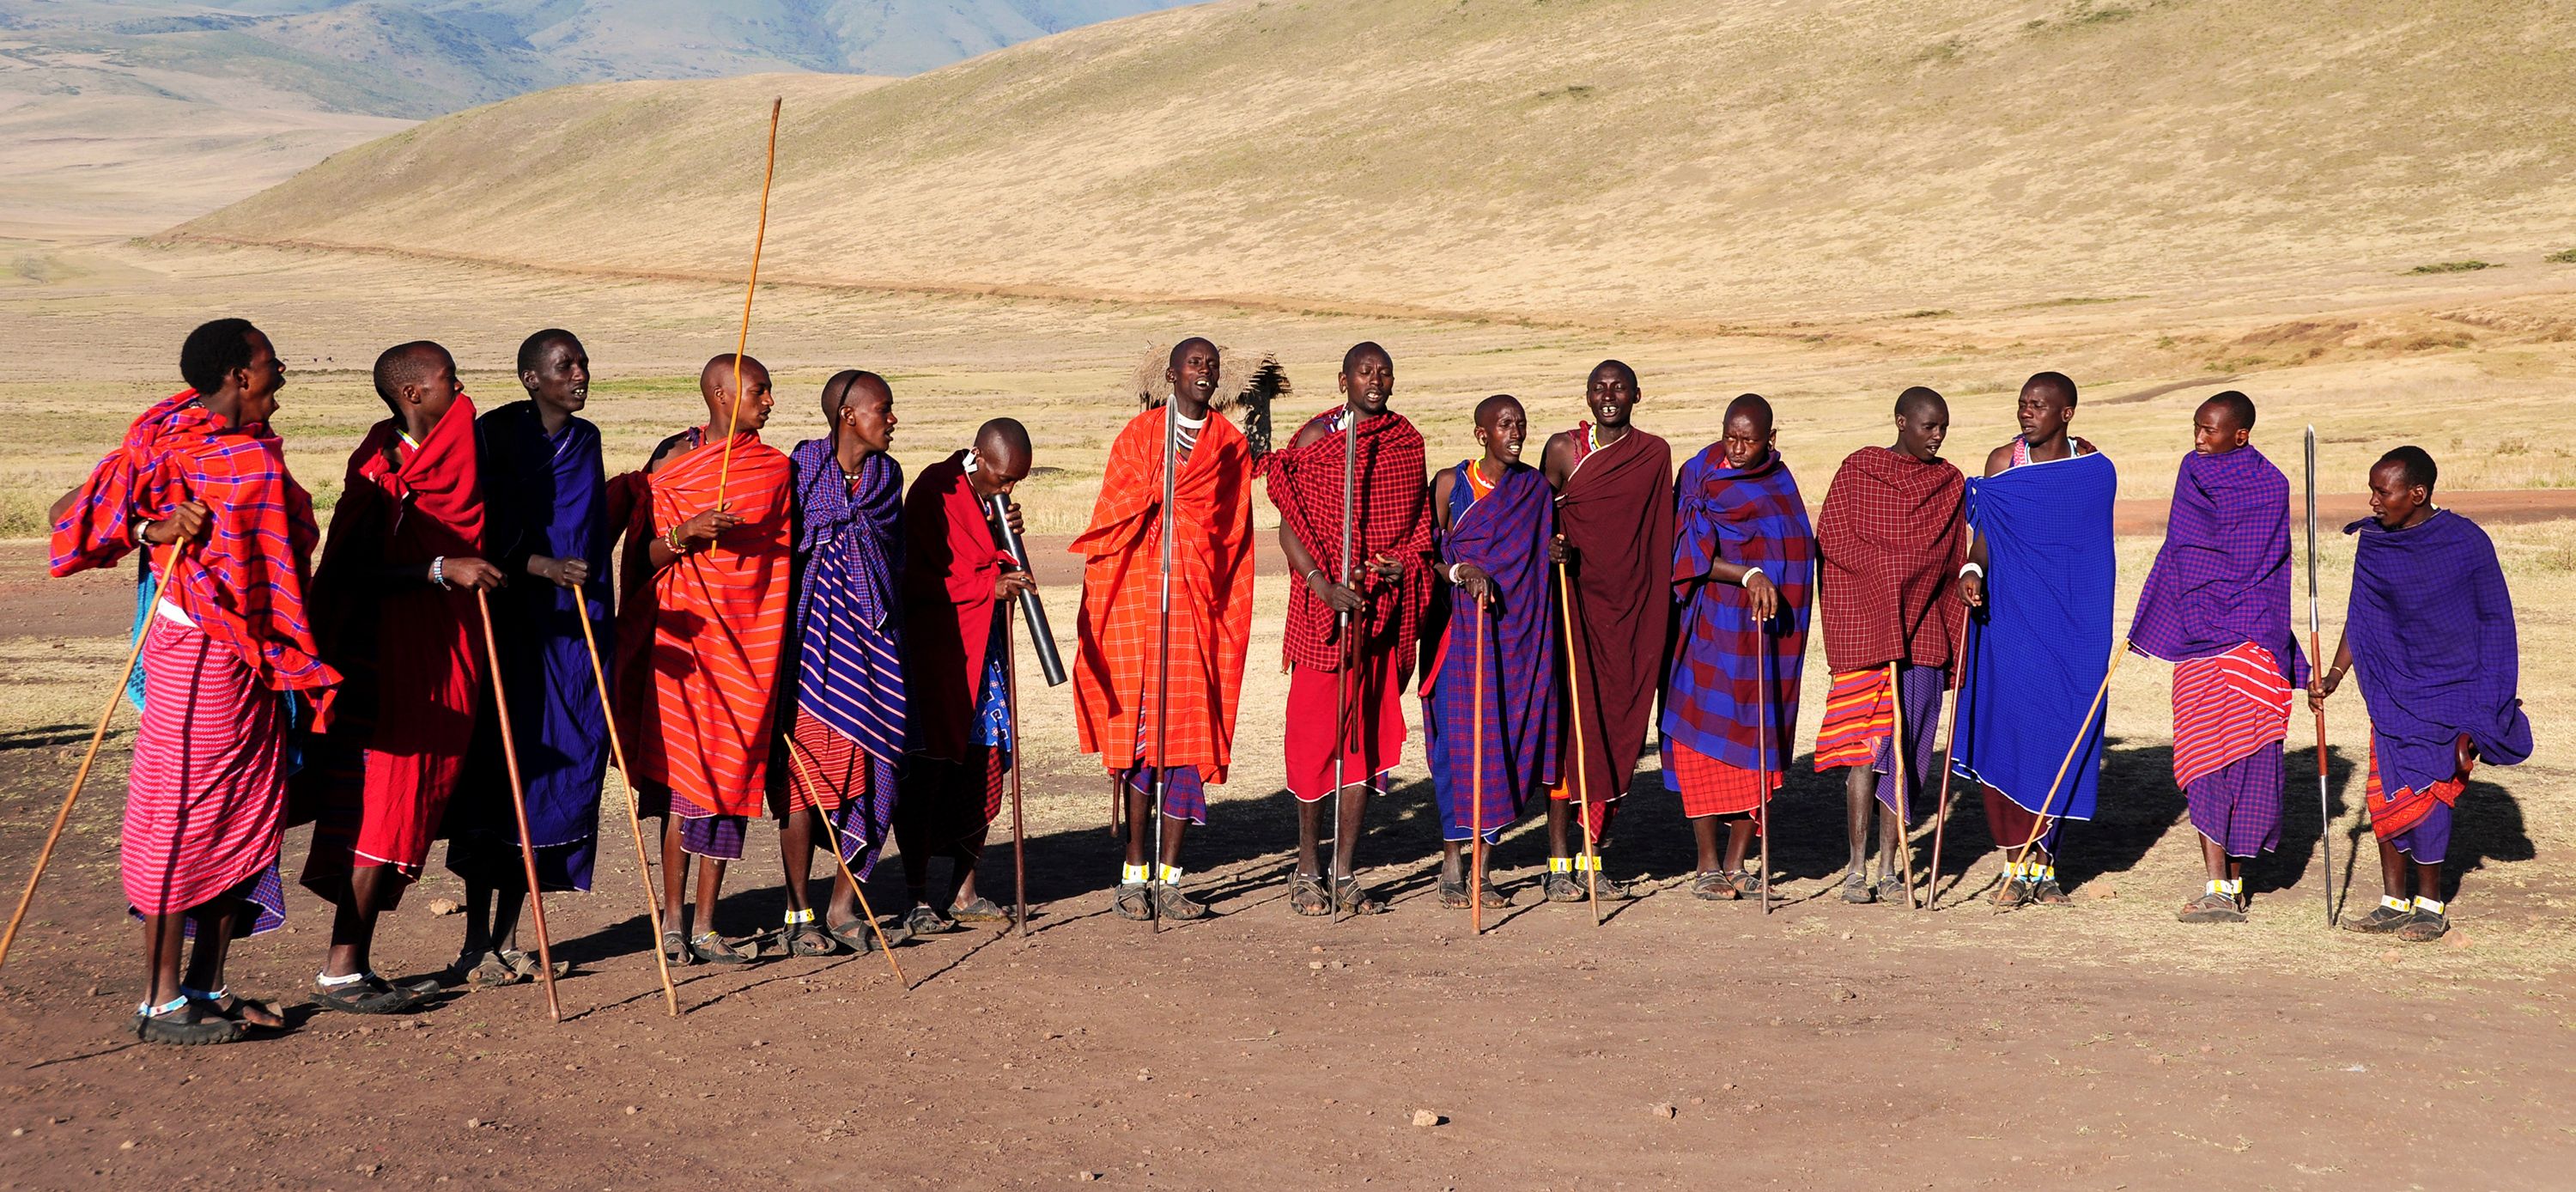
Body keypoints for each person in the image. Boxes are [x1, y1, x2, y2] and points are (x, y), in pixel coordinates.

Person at [52, 319, 337, 1043]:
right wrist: (152, 529)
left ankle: (208, 983)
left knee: (246, 808)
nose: (281, 377)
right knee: (183, 813)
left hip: (255, 664)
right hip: (196, 657)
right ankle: (159, 999)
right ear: (241, 376)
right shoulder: (167, 436)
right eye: (272, 365)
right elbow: (71, 518)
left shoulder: (250, 453)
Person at [300, 341, 499, 1013]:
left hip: (447, 654)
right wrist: (440, 570)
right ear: (413, 393)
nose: (462, 387)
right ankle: (341, 970)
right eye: (449, 379)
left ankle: (351, 964)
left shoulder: (457, 453)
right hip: (389, 663)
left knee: (406, 807)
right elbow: (349, 575)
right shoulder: (377, 470)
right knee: (384, 808)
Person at [441, 330, 611, 987]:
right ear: (530, 378)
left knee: (549, 783)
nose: (580, 374)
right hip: (510, 625)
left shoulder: (586, 440)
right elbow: (475, 523)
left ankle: (513, 938)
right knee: (499, 775)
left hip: (571, 631)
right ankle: (474, 941)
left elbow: (591, 528)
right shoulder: (495, 435)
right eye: (566, 365)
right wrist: (535, 563)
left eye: (583, 364)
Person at [2312, 447, 2530, 942]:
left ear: (2417, 493)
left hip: (2452, 689)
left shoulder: (2466, 542)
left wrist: (2490, 699)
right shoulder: (2374, 544)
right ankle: (2393, 901)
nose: (2372, 502)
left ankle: (2430, 905)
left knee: (2430, 795)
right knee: (2387, 792)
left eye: (2381, 492)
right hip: (2392, 688)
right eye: (2371, 490)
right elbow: (2361, 615)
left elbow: (2495, 621)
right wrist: (2335, 675)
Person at [1070, 338, 1255, 921]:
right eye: (1195, 364)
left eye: (1212, 366)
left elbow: (1234, 535)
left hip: (1198, 603)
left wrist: (1208, 577)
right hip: (1138, 598)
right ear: (1172, 374)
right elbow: (1110, 512)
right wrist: (1157, 491)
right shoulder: (1140, 436)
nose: (1206, 372)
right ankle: (1132, 874)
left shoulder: (1229, 445)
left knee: (1186, 740)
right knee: (1141, 742)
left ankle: (1171, 879)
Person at [618, 354, 793, 965]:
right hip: (687, 646)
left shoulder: (773, 469)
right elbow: (641, 559)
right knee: (685, 785)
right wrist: (684, 533)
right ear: (722, 395)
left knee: (731, 779)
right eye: (759, 391)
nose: (769, 402)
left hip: (749, 645)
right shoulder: (673, 462)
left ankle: (708, 925)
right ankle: (671, 923)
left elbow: (780, 559)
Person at [1262, 342, 1432, 915]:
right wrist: (1320, 583)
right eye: (1365, 372)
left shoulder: (1406, 442)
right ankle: (1307, 868)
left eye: (1385, 371)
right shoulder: (1316, 441)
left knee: (1367, 743)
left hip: (1380, 617)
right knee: (1314, 743)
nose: (1376, 379)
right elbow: (1291, 528)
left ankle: (1344, 870)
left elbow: (1419, 526)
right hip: (1325, 614)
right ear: (1344, 381)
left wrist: (1401, 562)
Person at [2128, 392, 2307, 923]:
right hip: (2199, 634)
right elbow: (2180, 546)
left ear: (2240, 434)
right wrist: (2154, 612)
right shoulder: (2192, 470)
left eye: (2209, 430)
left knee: (2249, 757)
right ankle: (2217, 885)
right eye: (2197, 428)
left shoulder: (2271, 486)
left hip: (2252, 634)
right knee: (2203, 756)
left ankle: (2237, 876)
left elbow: (2267, 564)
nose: (2199, 439)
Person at [1953, 371, 2116, 907]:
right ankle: (2013, 867)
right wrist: (1971, 572)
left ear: (2066, 413)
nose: (2028, 413)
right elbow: (1985, 539)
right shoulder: (2003, 464)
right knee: (2013, 731)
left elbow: (2090, 551)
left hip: (2071, 625)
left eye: (2040, 406)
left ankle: (2046, 867)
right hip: (2012, 622)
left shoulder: (2089, 471)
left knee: (2063, 731)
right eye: (2023, 404)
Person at [1813, 387, 1968, 905]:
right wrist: (1888, 574)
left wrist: (1934, 583)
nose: (1938, 436)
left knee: (1908, 755)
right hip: (1869, 632)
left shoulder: (1948, 483)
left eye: (1943, 427)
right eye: (1929, 426)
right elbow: (1833, 538)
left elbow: (1948, 559)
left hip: (1923, 631)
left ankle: (1888, 864)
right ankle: (1856, 868)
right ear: (1901, 422)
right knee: (1865, 754)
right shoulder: (1860, 471)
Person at [775, 371, 906, 952]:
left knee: (874, 766)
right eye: (884, 409)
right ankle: (798, 911)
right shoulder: (800, 470)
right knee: (805, 781)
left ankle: (844, 906)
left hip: (872, 646)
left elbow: (892, 557)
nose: (893, 419)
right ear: (849, 415)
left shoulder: (887, 478)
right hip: (808, 648)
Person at [1662, 395, 1813, 902]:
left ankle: (1737, 861)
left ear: (1771, 437)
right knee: (1694, 736)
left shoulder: (1778, 482)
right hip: (1709, 625)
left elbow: (1795, 551)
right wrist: (1747, 572)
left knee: (1758, 740)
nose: (1738, 448)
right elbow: (1686, 553)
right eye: (1731, 436)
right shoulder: (1699, 473)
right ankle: (1706, 864)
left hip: (1761, 634)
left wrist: (1771, 584)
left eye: (1749, 439)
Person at [1536, 360, 1674, 902]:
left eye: (1618, 388)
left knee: (1617, 731)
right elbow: (1534, 514)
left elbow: (1658, 535)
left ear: (1637, 395)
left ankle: (1591, 858)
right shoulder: (1563, 450)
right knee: (1571, 736)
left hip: (1631, 616)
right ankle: (1555, 865)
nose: (1609, 395)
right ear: (1587, 396)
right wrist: (1552, 546)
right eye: (1599, 388)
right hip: (1573, 605)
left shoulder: (1654, 454)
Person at [897, 418, 1036, 927]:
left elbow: (993, 562)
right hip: (942, 656)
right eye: (1001, 479)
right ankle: (915, 895)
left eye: (1015, 482)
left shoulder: (990, 500)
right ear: (978, 455)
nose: (1007, 489)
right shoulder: (936, 490)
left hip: (987, 656)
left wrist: (1004, 540)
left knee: (984, 765)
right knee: (930, 770)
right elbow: (917, 579)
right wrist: (986, 590)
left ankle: (964, 888)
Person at [1420, 395, 1554, 910]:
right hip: (1460, 637)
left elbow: (1540, 560)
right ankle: (1453, 865)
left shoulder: (1534, 490)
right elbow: (1428, 556)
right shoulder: (1451, 487)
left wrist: (1557, 554)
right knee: (1461, 747)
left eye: (1520, 423)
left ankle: (1484, 870)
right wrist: (1460, 572)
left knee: (1501, 741)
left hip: (1516, 639)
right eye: (1504, 425)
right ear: (1482, 434)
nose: (1515, 432)